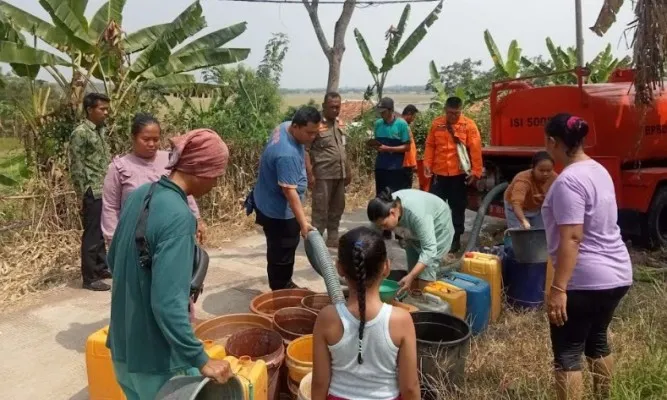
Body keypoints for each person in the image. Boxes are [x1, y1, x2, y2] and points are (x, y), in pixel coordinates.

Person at [106, 129, 232, 400]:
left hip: (123, 350)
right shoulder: (179, 217)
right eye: (217, 176)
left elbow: (113, 258)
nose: (216, 184)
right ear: (202, 171)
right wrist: (200, 359)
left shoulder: (141, 194)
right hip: (158, 363)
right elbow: (167, 304)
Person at [541, 113, 632, 400]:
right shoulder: (598, 169)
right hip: (617, 274)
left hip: (585, 279)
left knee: (568, 353)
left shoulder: (569, 181)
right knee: (597, 341)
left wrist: (558, 288)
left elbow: (572, 237)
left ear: (553, 142)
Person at [311, 226, 420, 400]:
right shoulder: (401, 320)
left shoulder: (327, 318)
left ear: (339, 268)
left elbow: (318, 384)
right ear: (386, 267)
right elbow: (410, 388)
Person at [101, 113, 205, 246]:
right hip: (133, 239)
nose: (151, 144)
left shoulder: (170, 160)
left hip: (171, 234)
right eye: (146, 139)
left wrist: (196, 218)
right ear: (133, 138)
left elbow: (184, 192)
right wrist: (113, 240)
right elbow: (110, 206)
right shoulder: (119, 168)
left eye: (156, 139)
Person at [252, 106, 320, 290]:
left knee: (277, 248)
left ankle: (283, 283)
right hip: (278, 212)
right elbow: (289, 192)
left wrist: (307, 168)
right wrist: (303, 224)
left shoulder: (284, 126)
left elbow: (302, 149)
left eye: (316, 132)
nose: (313, 137)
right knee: (283, 250)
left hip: (265, 198)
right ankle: (281, 289)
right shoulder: (286, 154)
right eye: (310, 133)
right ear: (297, 126)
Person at [423, 96, 483, 253]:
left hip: (458, 175)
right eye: (450, 113)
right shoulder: (437, 124)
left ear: (461, 111)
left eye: (456, 113)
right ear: (445, 110)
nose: (453, 116)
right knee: (435, 207)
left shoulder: (468, 125)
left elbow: (475, 149)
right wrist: (427, 164)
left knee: (457, 207)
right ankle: (435, 237)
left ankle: (455, 239)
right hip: (439, 174)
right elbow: (430, 145)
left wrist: (476, 171)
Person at [367, 188, 454, 294]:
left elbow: (430, 249)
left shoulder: (416, 214)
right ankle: (413, 297)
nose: (382, 229)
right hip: (414, 232)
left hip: (438, 227)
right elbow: (371, 241)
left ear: (393, 213)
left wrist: (411, 276)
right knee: (413, 268)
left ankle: (425, 304)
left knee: (426, 271)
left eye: (384, 225)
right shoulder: (381, 210)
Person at [69, 92, 113, 291]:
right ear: (89, 110)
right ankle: (89, 277)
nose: (106, 112)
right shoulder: (81, 133)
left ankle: (102, 267)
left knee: (101, 231)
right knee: (92, 234)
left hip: (104, 188)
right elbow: (76, 165)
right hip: (91, 190)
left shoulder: (100, 130)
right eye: (102, 109)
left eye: (106, 109)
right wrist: (81, 193)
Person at [306, 92, 352, 248]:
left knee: (337, 207)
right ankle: (315, 241)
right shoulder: (315, 124)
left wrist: (348, 171)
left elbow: (343, 149)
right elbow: (305, 150)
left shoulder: (339, 123)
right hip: (323, 174)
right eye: (332, 107)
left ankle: (333, 237)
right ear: (324, 106)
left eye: (338, 107)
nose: (335, 110)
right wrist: (309, 173)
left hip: (340, 174)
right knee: (320, 208)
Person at [369, 97, 411, 239]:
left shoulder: (401, 125)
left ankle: (399, 232)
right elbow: (378, 144)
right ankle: (385, 229)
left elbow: (407, 146)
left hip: (397, 168)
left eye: (384, 111)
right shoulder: (378, 124)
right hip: (381, 166)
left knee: (398, 200)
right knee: (382, 198)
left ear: (391, 110)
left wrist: (389, 148)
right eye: (380, 111)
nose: (382, 114)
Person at [504, 151, 557, 230]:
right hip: (516, 208)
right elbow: (517, 204)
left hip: (537, 208)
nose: (545, 174)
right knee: (520, 235)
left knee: (541, 234)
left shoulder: (555, 178)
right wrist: (524, 221)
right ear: (533, 168)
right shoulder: (523, 180)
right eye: (541, 170)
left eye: (549, 170)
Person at [401, 105, 419, 190]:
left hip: (407, 163)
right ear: (409, 114)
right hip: (405, 163)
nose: (414, 119)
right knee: (406, 189)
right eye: (414, 116)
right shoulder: (403, 125)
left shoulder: (404, 125)